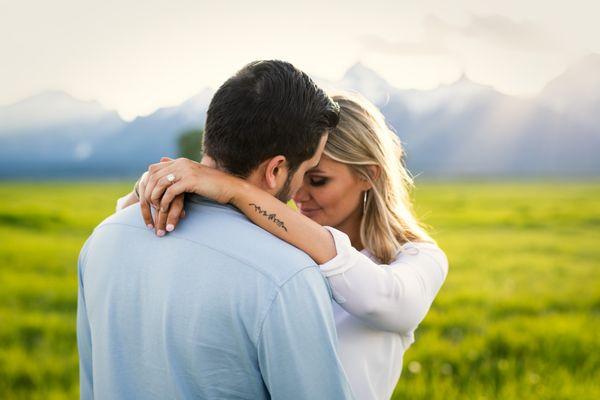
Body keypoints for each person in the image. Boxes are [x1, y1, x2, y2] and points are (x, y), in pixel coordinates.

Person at [120, 91, 449, 400]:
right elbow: (127, 226)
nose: (298, 194)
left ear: (369, 175)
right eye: (298, 173)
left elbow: (385, 301)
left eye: (318, 180)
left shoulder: (417, 258)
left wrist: (238, 190)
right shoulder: (272, 242)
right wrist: (152, 183)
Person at [77, 60, 355, 399]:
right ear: (276, 169)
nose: (299, 192)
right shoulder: (286, 274)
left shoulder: (104, 239)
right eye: (306, 170)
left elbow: (92, 383)